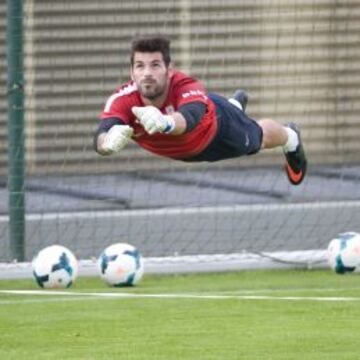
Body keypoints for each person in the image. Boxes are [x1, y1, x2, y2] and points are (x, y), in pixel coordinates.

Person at [94, 35, 307, 185]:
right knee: (235, 114)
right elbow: (102, 134)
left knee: (259, 140)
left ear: (169, 69)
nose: (147, 73)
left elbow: (190, 117)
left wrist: (165, 122)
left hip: (218, 131)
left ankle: (291, 137)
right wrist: (107, 145)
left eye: (155, 65)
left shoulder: (186, 85)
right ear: (131, 72)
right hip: (186, 149)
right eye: (140, 66)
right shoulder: (122, 100)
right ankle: (235, 106)